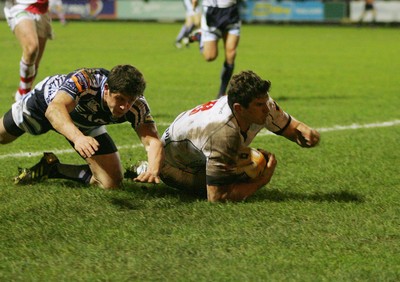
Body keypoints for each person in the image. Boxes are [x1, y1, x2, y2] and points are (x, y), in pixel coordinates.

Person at [157, 70, 320, 202]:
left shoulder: (262, 105)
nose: (266, 109)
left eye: (265, 102)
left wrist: (305, 132)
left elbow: (291, 128)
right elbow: (217, 197)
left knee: (252, 162)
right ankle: (149, 168)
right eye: (259, 105)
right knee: (255, 166)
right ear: (239, 108)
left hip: (192, 146)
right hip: (172, 164)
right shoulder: (222, 132)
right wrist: (262, 180)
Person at [0, 64, 164, 189]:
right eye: (120, 99)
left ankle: (53, 168)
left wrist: (153, 170)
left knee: (111, 183)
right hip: (43, 106)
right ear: (106, 89)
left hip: (86, 123)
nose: (125, 107)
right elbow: (55, 110)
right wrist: (78, 138)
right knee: (2, 137)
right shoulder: (86, 80)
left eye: (131, 101)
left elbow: (152, 141)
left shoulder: (138, 105)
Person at [4, 0, 54, 101]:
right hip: (19, 6)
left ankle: (21, 93)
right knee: (32, 48)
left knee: (34, 65)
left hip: (42, 9)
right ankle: (23, 98)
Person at [190, 0, 241, 98]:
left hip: (231, 12)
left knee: (231, 53)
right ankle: (200, 37)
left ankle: (222, 92)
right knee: (210, 57)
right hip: (212, 13)